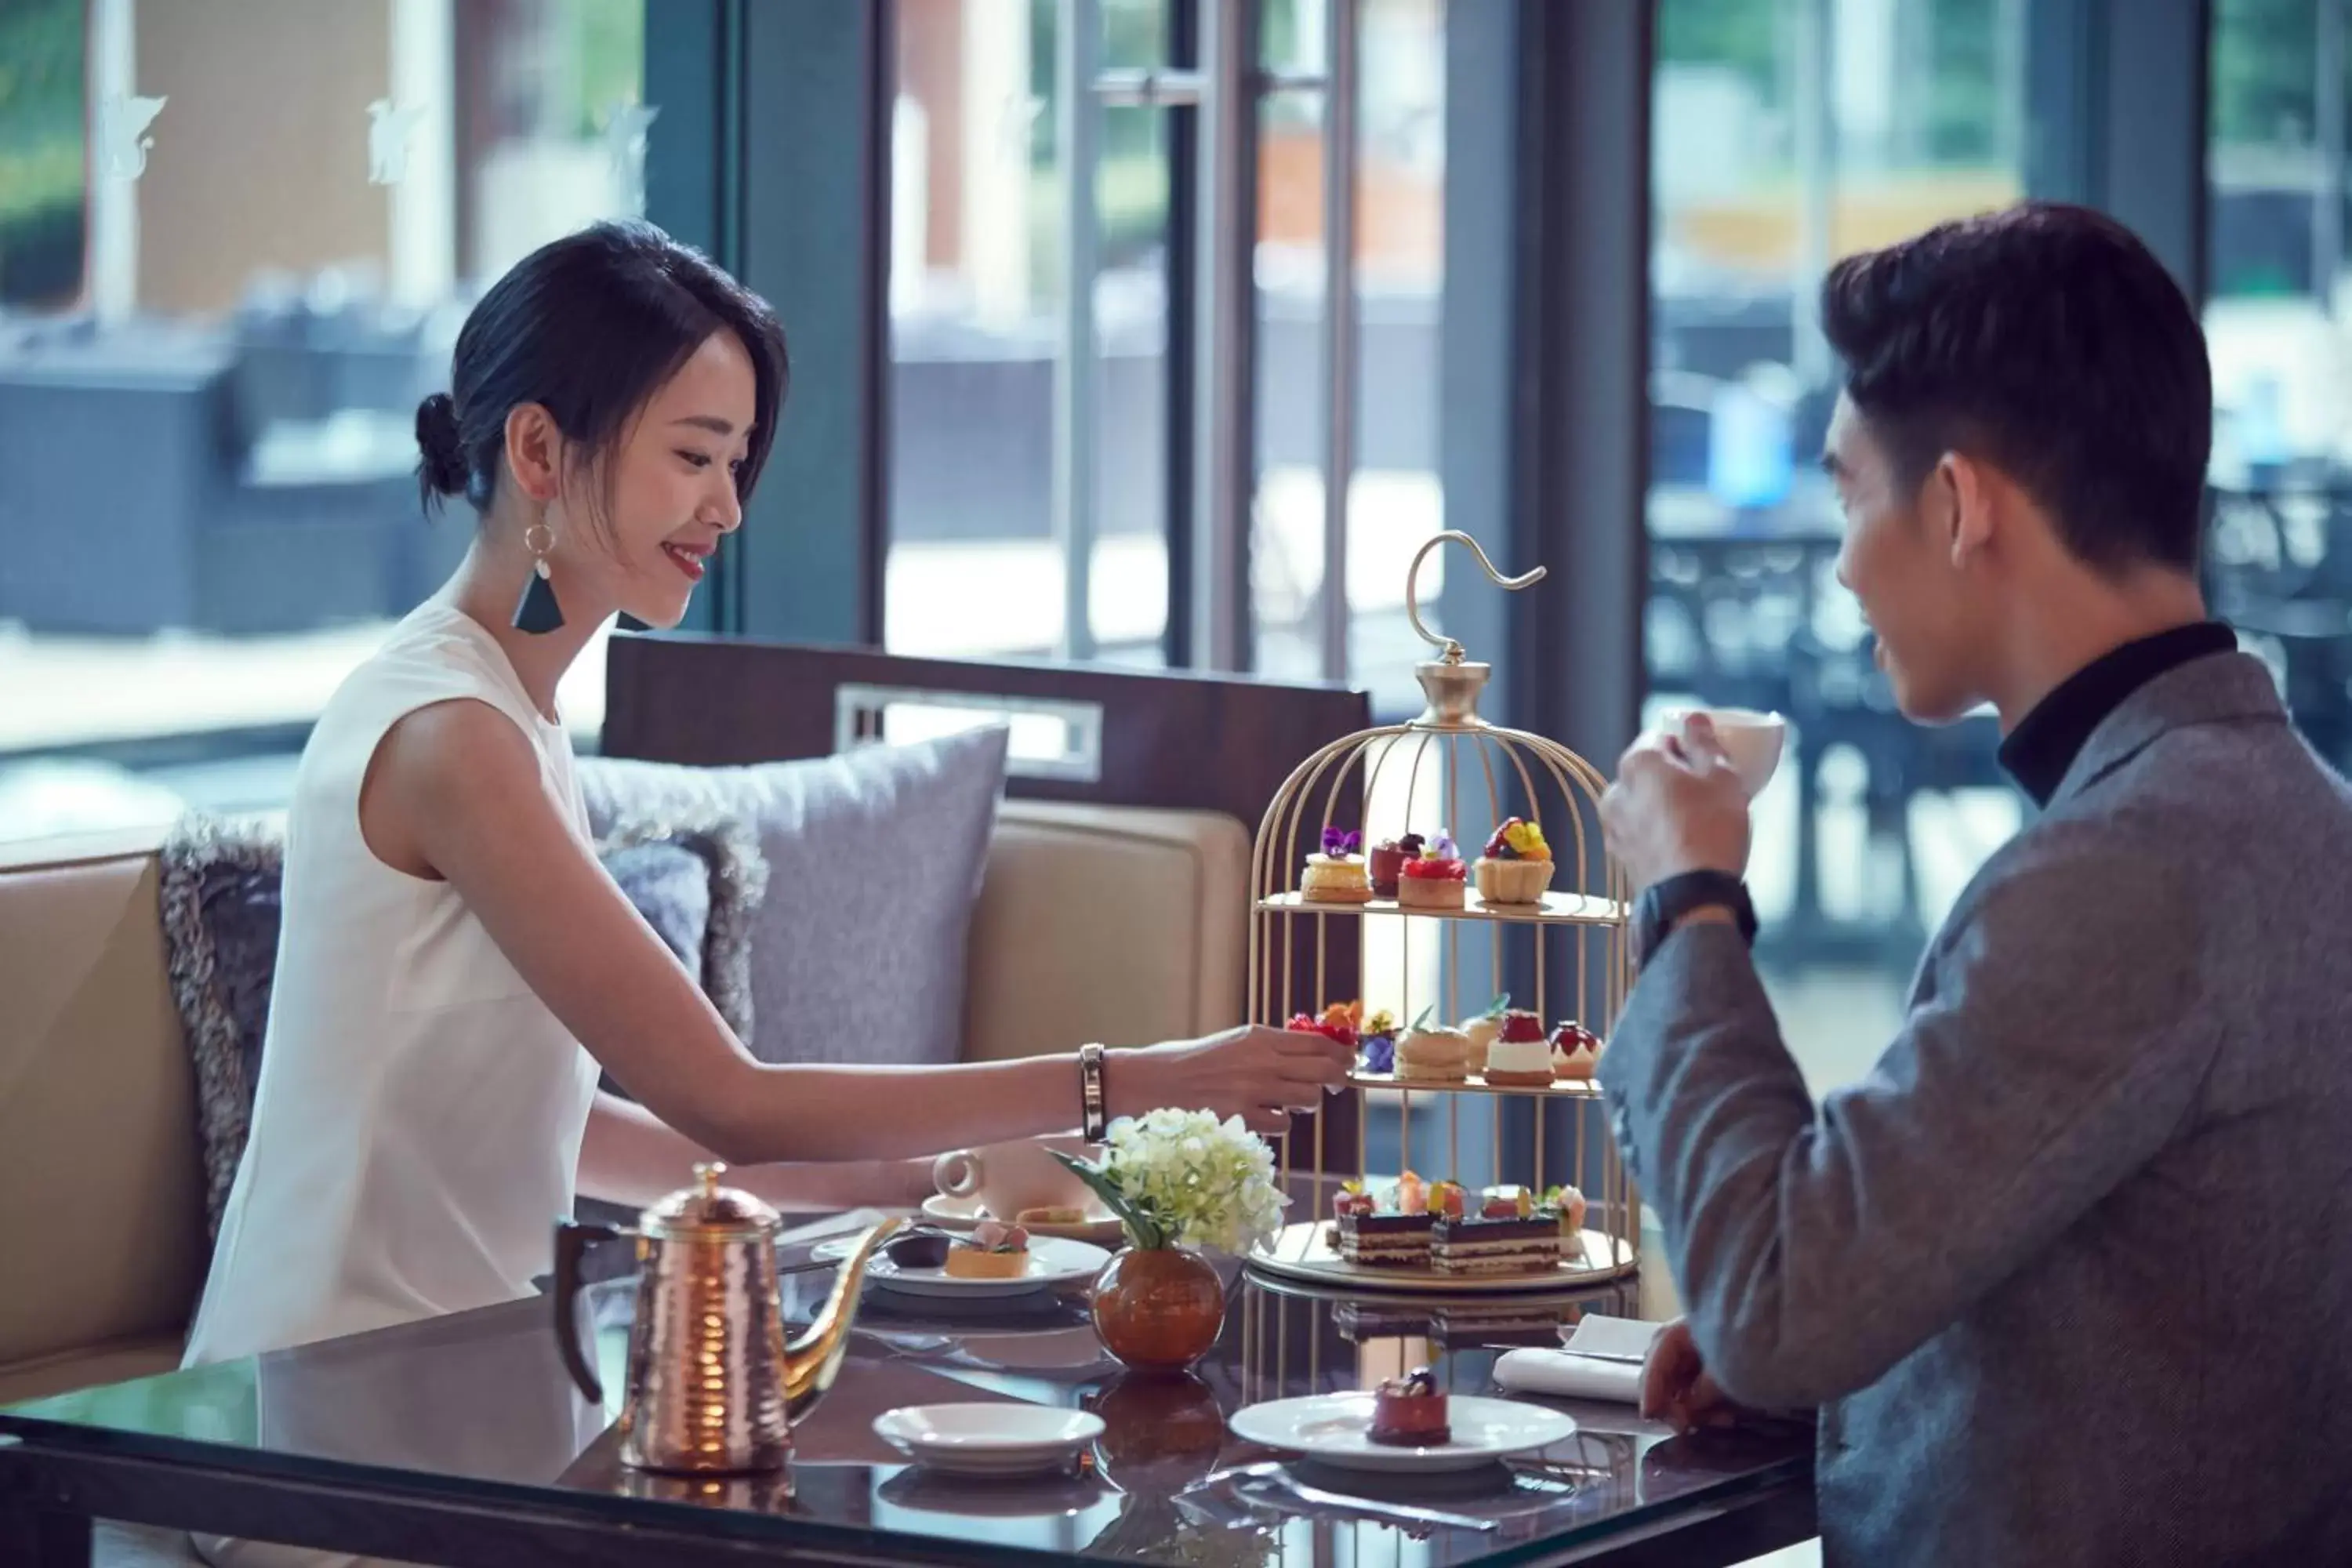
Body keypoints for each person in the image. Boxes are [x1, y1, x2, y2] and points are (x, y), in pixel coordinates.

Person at [182, 221, 1351, 1374]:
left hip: (456, 1367)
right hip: (328, 1393)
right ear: (539, 451)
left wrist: (948, 1180)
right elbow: (728, 1100)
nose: (729, 509)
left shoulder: (514, 712)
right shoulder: (451, 736)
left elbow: (571, 1128)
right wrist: (1142, 1080)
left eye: (735, 463)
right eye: (693, 457)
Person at [1598, 202, 2352, 1564]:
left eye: (1846, 492)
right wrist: (1854, 1363)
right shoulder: (2300, 820)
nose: (1839, 563)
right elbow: (2154, 1320)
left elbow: (1777, 1297)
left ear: (1957, 504)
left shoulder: (2127, 873)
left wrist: (1689, 896)